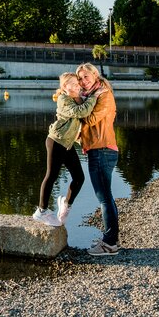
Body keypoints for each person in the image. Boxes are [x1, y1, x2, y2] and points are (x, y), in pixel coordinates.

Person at [32, 72, 106, 227]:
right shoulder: (63, 99)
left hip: (68, 144)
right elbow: (82, 112)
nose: (76, 85)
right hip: (56, 142)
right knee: (51, 176)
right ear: (64, 87)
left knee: (79, 178)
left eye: (77, 82)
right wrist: (94, 97)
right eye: (72, 83)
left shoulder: (78, 98)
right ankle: (41, 211)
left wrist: (95, 93)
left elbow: (89, 109)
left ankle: (65, 204)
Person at [75, 62, 120, 256]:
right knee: (106, 197)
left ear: (95, 75)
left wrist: (74, 101)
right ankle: (111, 239)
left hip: (102, 150)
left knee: (104, 198)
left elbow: (91, 119)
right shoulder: (93, 96)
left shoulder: (103, 95)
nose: (83, 81)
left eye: (86, 77)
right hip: (98, 149)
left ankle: (109, 244)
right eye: (80, 79)